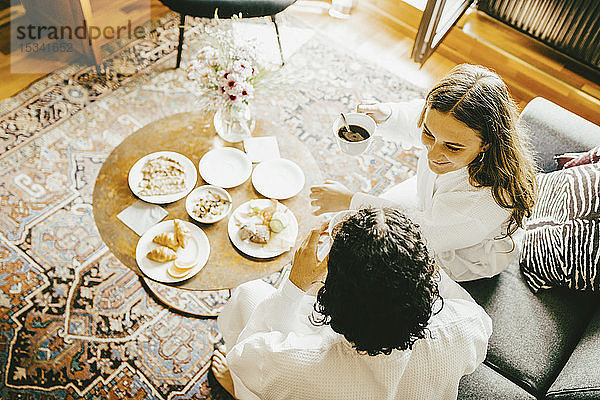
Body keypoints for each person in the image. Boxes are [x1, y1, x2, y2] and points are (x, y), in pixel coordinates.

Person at [212, 208, 492, 400]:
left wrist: (294, 286)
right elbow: (476, 330)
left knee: (249, 293)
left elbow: (244, 355)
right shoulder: (464, 326)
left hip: (294, 374)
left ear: (330, 295)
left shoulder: (293, 361)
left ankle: (240, 391)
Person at [310, 64, 537, 281]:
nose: (433, 154)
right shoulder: (448, 124)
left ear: (487, 144)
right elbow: (415, 117)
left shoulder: (487, 202)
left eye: (452, 147)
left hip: (459, 253)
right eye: (429, 135)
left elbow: (424, 230)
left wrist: (351, 200)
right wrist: (387, 115)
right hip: (431, 203)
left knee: (367, 254)